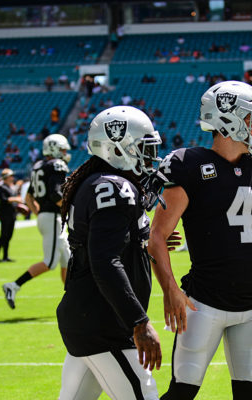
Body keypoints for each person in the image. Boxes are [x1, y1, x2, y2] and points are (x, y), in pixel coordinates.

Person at [148, 81, 252, 400]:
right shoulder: (188, 165)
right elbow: (157, 237)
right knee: (180, 394)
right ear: (227, 119)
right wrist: (170, 291)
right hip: (203, 303)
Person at [56, 106, 165, 400]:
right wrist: (138, 322)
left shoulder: (100, 183)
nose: (150, 155)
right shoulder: (114, 188)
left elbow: (106, 243)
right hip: (105, 322)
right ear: (119, 148)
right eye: (144, 147)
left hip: (87, 316)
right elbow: (104, 260)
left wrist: (139, 243)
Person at [2, 134, 72, 309]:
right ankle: (14, 286)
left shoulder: (38, 166)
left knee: (68, 260)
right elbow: (56, 195)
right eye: (62, 149)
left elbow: (28, 197)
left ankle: (72, 299)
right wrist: (71, 210)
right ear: (55, 149)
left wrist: (39, 213)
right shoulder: (56, 165)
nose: (65, 153)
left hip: (46, 217)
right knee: (50, 262)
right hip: (53, 218)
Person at [0, 169, 22, 262]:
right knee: (3, 235)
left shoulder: (11, 187)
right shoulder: (1, 187)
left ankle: (5, 256)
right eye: (11, 176)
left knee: (9, 235)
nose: (12, 177)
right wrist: (15, 199)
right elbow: (4, 199)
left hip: (12, 213)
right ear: (7, 177)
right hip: (5, 214)